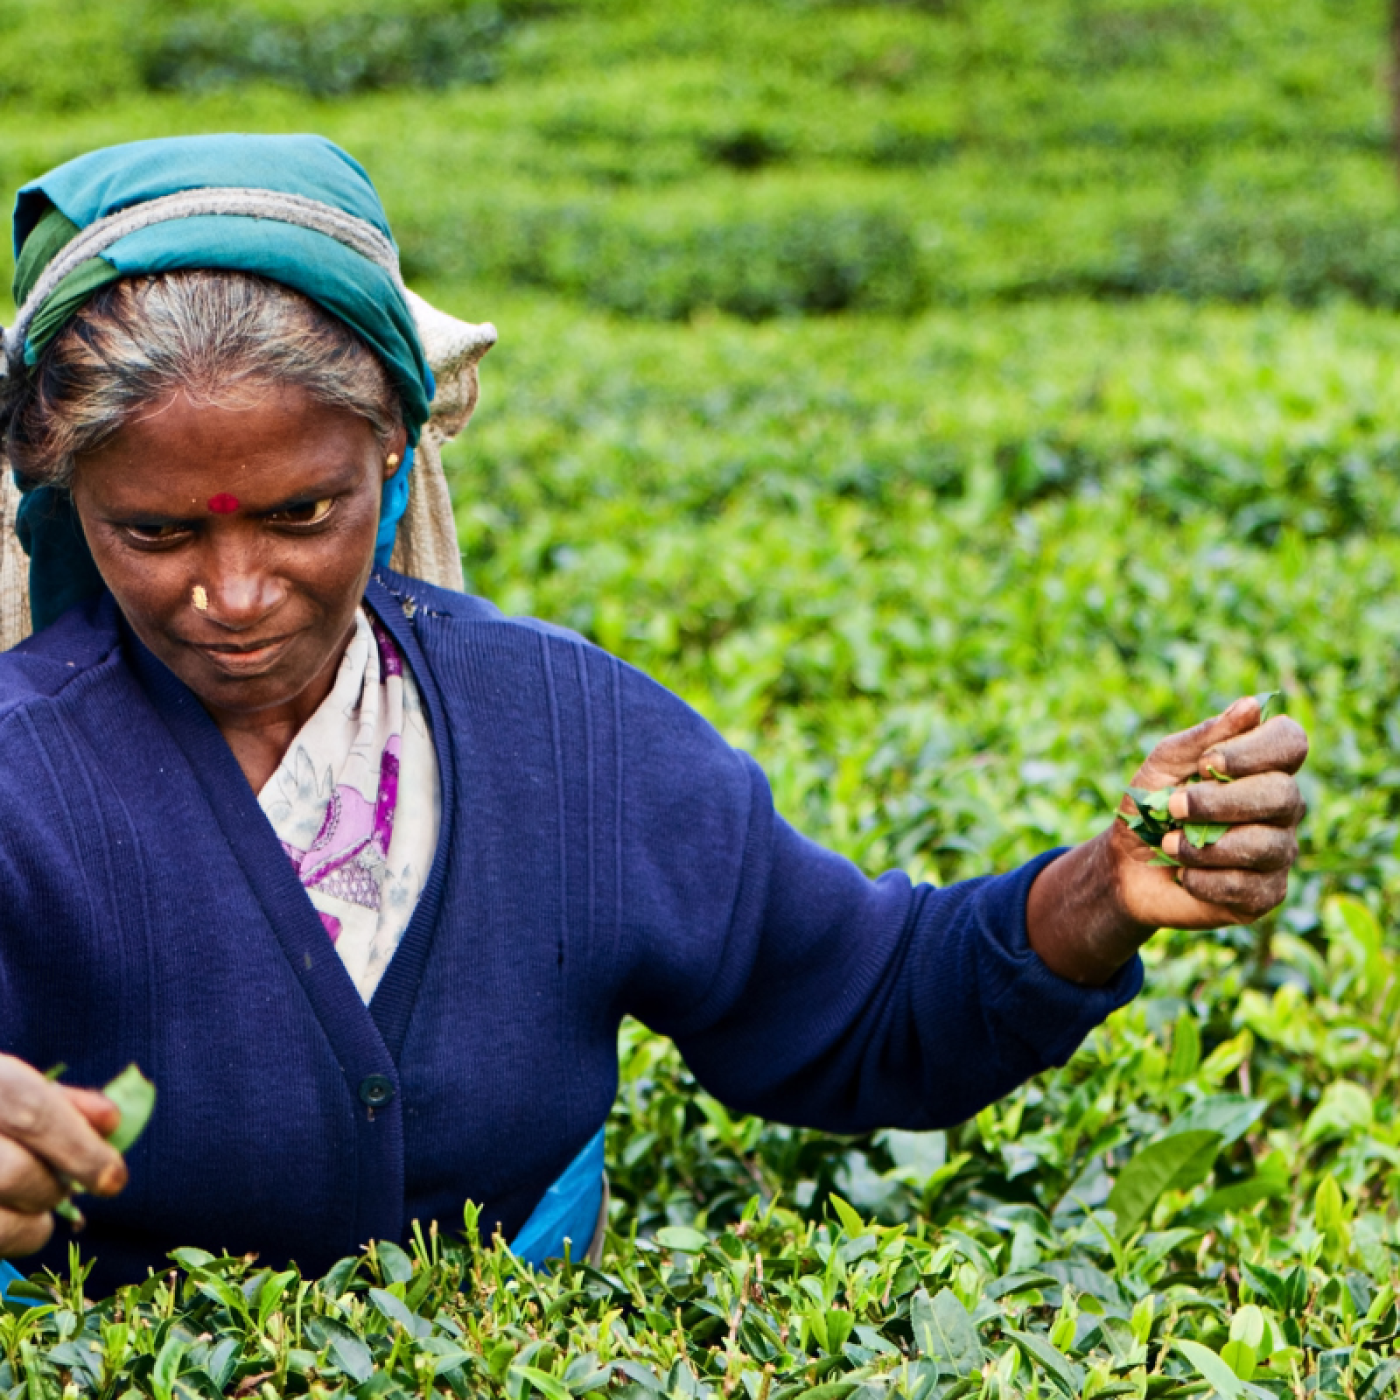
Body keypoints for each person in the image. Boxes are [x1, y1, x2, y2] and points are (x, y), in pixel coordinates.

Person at [0, 134, 1308, 1296]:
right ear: (68, 502)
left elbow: (860, 1002)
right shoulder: (21, 771)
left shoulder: (563, 733)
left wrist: (1101, 892)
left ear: (392, 452)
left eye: (301, 514)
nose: (234, 593)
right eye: (157, 531)